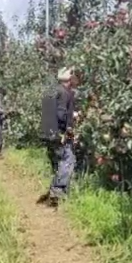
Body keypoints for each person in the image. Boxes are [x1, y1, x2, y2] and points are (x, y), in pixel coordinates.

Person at [37, 67, 75, 207]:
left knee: (58, 164)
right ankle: (57, 192)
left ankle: (54, 192)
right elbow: (60, 115)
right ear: (69, 79)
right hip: (58, 134)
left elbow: (48, 113)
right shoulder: (65, 93)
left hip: (47, 134)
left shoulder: (51, 92)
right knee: (68, 160)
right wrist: (67, 130)